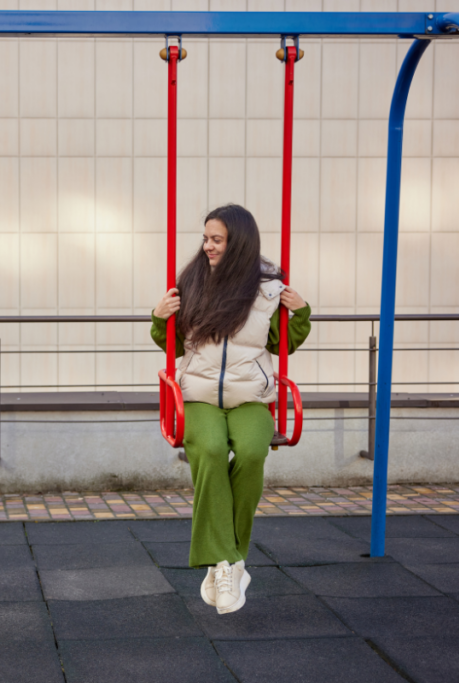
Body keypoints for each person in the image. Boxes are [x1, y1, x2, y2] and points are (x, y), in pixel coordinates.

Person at [151, 204, 311, 614]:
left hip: (250, 397)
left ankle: (228, 558)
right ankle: (227, 562)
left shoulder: (267, 290)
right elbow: (170, 342)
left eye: (216, 239)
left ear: (237, 242)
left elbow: (281, 346)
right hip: (199, 396)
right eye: (205, 238)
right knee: (209, 451)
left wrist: (301, 315)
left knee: (253, 451)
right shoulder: (191, 283)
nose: (207, 246)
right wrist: (158, 319)